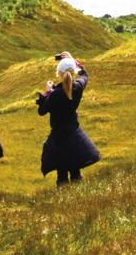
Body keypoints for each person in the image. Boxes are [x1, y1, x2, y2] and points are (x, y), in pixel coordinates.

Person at [36, 51, 100, 186]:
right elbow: (85, 75)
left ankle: (63, 201)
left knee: (62, 172)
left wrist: (47, 91)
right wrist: (74, 60)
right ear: (73, 73)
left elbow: (41, 111)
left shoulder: (54, 95)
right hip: (74, 133)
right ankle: (78, 199)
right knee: (75, 170)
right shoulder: (77, 88)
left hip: (58, 136)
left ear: (59, 74)